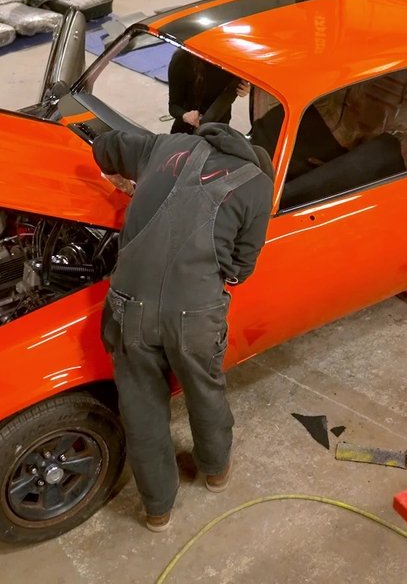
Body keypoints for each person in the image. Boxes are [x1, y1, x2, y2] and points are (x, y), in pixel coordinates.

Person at [92, 123, 274, 532]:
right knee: (205, 390)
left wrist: (124, 181)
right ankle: (215, 471)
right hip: (195, 314)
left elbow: (106, 145)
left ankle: (157, 509)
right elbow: (242, 268)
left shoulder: (165, 145)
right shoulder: (258, 186)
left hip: (129, 307)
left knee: (140, 405)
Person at [167, 48, 250, 134]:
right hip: (188, 128)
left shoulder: (236, 57)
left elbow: (245, 83)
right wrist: (185, 115)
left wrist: (244, 88)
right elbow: (173, 106)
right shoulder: (182, 57)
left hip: (219, 122)